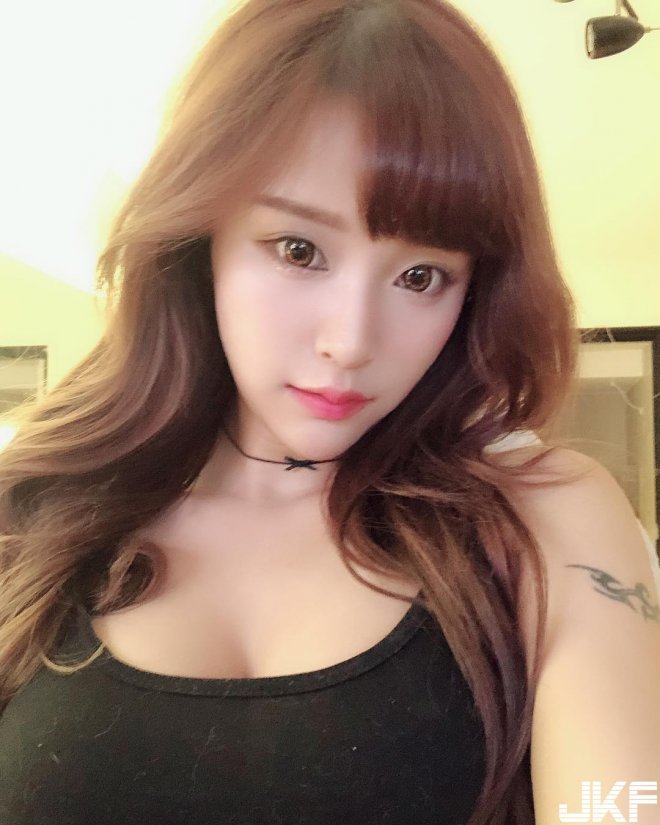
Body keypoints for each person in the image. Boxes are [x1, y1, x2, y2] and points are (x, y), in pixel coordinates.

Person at [0, 1, 658, 823]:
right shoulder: (29, 511)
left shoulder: (546, 516)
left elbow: (620, 804)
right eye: (300, 250)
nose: (351, 342)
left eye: (420, 276)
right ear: (199, 239)